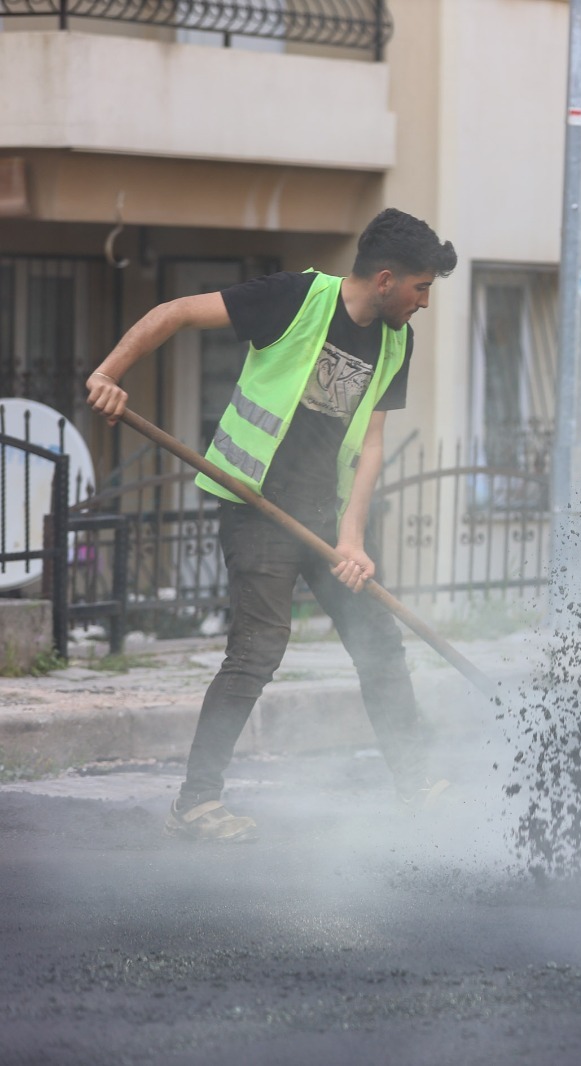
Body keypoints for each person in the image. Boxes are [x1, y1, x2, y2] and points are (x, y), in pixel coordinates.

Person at [86, 208, 458, 843]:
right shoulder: (295, 298)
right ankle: (195, 804)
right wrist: (107, 374)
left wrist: (352, 538)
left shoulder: (397, 340)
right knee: (258, 650)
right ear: (387, 279)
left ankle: (415, 786)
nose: (424, 302)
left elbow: (371, 444)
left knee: (379, 642)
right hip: (254, 504)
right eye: (422, 288)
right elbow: (174, 312)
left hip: (323, 514)